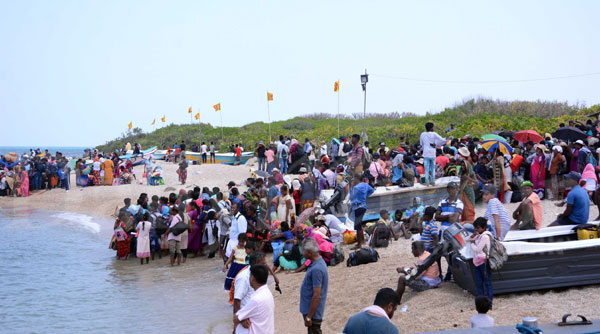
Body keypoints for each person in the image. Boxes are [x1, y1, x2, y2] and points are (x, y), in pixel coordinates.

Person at [234, 264, 275, 334]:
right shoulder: (267, 292)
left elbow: (236, 318)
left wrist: (242, 318)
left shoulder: (256, 299)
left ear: (252, 278)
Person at [300, 238, 328, 334]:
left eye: (303, 250)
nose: (302, 252)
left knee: (314, 331)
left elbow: (316, 296)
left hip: (313, 313)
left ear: (309, 253)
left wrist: (309, 317)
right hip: (311, 310)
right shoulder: (315, 262)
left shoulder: (317, 269)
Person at [467, 217, 494, 307]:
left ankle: (489, 303)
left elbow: (478, 249)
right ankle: (482, 303)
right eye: (476, 228)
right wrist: (473, 237)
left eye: (478, 228)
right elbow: (467, 239)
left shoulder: (485, 236)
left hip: (483, 261)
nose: (476, 230)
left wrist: (472, 243)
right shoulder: (480, 235)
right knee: (480, 282)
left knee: (486, 282)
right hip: (479, 261)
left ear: (484, 227)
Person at [350, 177, 375, 249]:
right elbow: (372, 190)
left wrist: (351, 187)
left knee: (358, 226)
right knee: (359, 225)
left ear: (356, 180)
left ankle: (359, 244)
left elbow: (352, 198)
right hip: (363, 206)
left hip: (357, 207)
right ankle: (362, 241)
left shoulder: (355, 188)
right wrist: (364, 197)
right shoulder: (365, 185)